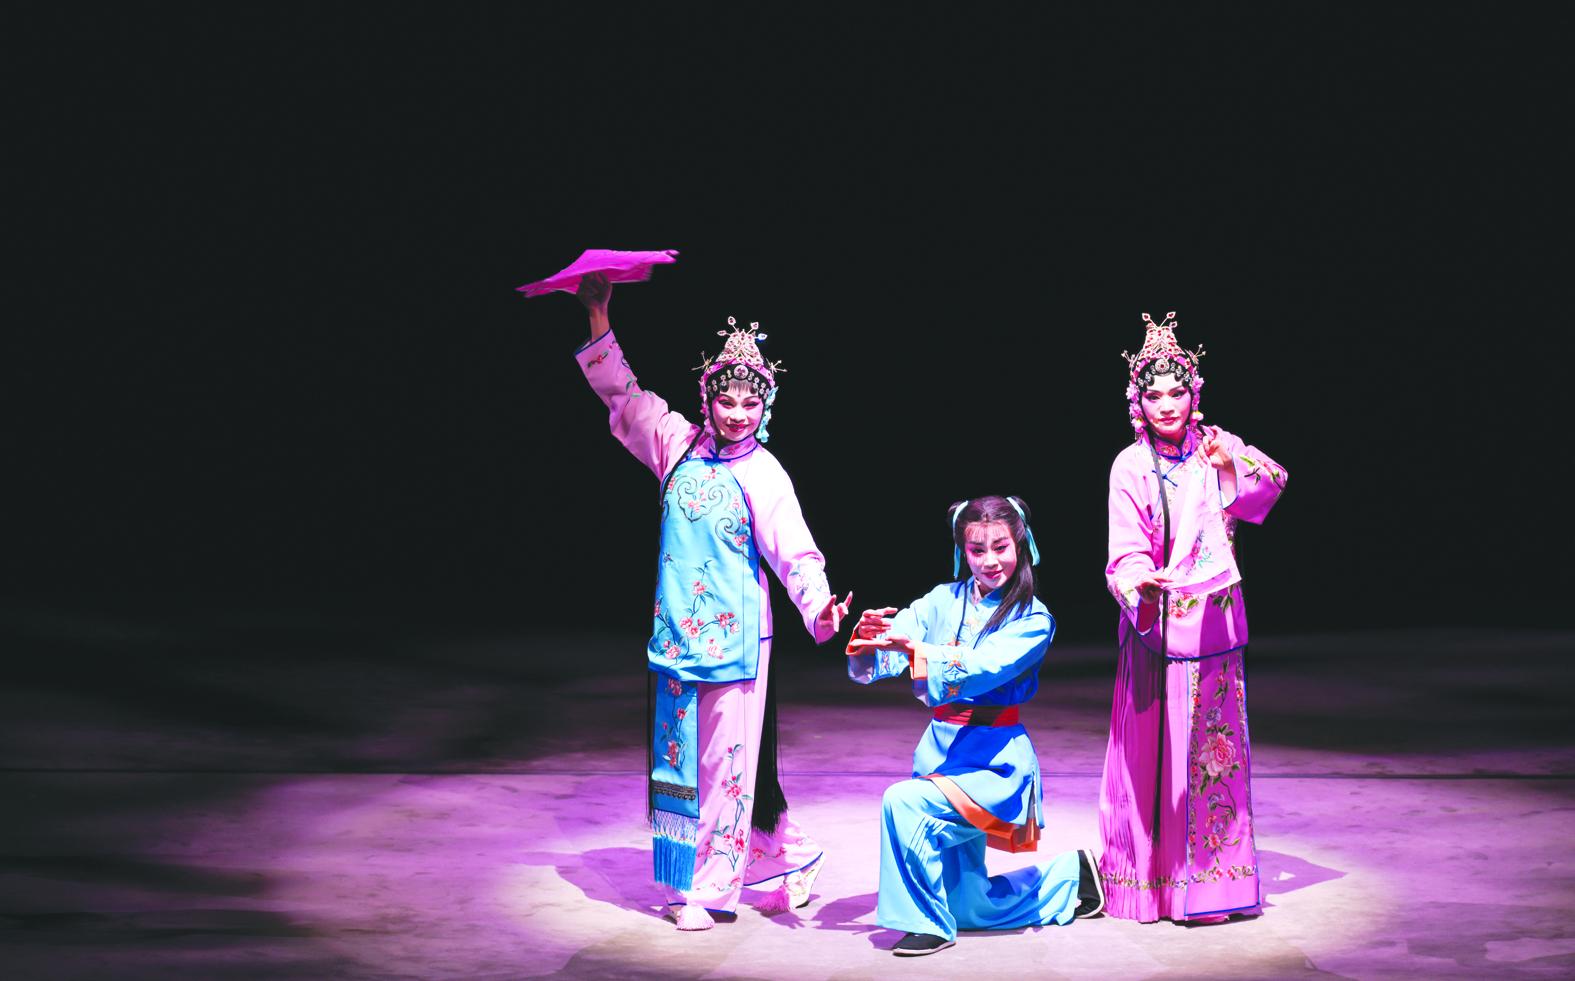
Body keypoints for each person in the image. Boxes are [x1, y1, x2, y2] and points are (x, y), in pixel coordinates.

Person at [569, 270, 851, 931]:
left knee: (725, 769)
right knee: (678, 768)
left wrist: (820, 608)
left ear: (766, 406)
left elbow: (796, 554)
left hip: (737, 643)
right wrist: (597, 316)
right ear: (708, 397)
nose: (737, 413)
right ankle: (783, 852)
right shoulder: (675, 445)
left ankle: (706, 889)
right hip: (676, 637)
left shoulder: (764, 473)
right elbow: (621, 392)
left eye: (750, 403)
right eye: (726, 399)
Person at [846, 495, 1104, 956]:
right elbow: (894, 646)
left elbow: (985, 668)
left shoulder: (1033, 619)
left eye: (1000, 547)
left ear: (1021, 545)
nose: (989, 561)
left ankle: (926, 924)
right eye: (977, 550)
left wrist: (919, 651)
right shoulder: (941, 600)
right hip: (942, 754)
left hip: (995, 766)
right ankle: (1073, 876)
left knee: (903, 803)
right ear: (962, 551)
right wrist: (870, 641)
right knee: (969, 907)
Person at [1098, 312, 1289, 923]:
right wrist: (1141, 582)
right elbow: (1125, 552)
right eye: (1153, 395)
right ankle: (1156, 888)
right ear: (1137, 402)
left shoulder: (1217, 445)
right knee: (1156, 768)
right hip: (1156, 628)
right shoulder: (1130, 466)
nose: (1166, 405)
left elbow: (1271, 486)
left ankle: (1216, 887)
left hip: (1215, 630)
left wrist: (1227, 463)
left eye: (1176, 392)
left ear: (1194, 394)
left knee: (1213, 763)